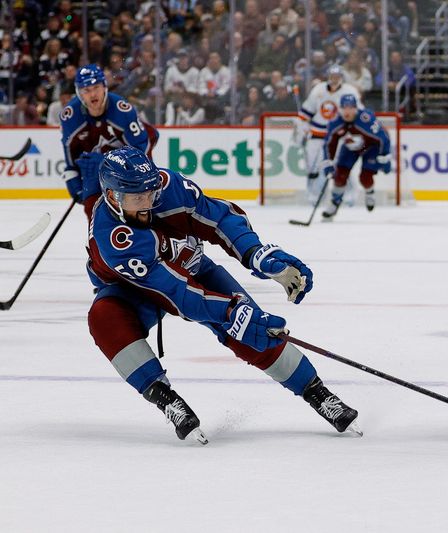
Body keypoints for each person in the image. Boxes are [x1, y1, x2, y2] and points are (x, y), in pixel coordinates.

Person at [85, 146, 360, 444]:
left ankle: (318, 393)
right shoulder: (113, 237)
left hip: (192, 267)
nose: (148, 204)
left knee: (254, 329)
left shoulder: (168, 187)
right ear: (113, 197)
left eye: (150, 194)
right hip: (133, 290)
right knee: (104, 318)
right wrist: (231, 312)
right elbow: (178, 294)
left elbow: (218, 218)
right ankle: (166, 399)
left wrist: (255, 253)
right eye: (138, 198)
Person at [60, 64, 159, 219]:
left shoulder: (122, 110)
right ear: (79, 93)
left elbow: (143, 149)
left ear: (105, 87)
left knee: (140, 212)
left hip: (128, 170)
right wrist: (73, 179)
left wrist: (109, 162)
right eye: (86, 90)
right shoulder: (70, 117)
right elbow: (71, 158)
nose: (93, 94)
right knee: (94, 211)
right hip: (94, 171)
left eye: (96, 87)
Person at [295, 65, 362, 202]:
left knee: (343, 165)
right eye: (332, 76)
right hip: (317, 134)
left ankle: (350, 195)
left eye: (337, 77)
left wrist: (354, 131)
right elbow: (305, 113)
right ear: (328, 77)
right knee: (314, 167)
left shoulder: (350, 91)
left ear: (341, 78)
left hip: (339, 135)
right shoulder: (318, 90)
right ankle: (314, 196)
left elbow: (359, 113)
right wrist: (303, 126)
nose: (334, 79)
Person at [320, 94, 392, 219]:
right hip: (351, 147)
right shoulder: (335, 122)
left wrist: (385, 157)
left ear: (356, 108)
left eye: (351, 108)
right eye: (344, 108)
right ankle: (334, 203)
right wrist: (328, 162)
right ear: (340, 109)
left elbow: (383, 137)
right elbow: (329, 143)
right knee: (340, 175)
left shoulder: (366, 119)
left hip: (371, 148)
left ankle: (369, 192)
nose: (348, 111)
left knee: (365, 177)